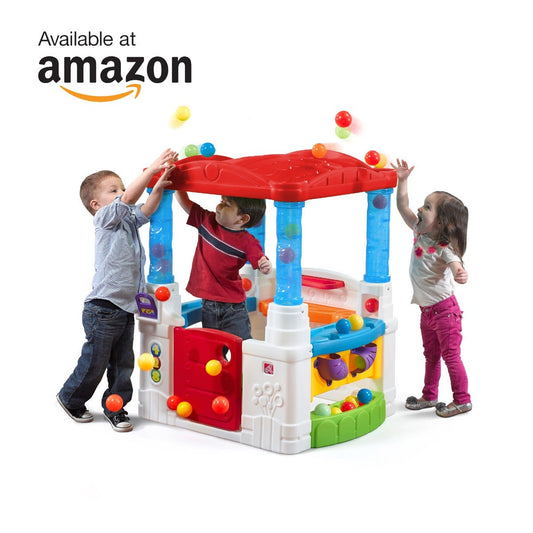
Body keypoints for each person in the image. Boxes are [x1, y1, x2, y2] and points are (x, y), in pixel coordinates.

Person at [57, 149, 177, 432]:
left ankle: (116, 407)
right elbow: (129, 199)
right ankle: (70, 398)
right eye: (114, 190)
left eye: (122, 187)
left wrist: (158, 186)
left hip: (125, 309)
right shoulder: (104, 219)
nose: (121, 192)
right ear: (96, 204)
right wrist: (151, 170)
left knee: (123, 364)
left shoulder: (126, 220)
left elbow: (146, 209)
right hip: (102, 308)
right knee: (95, 362)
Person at [393, 159, 472, 418]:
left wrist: (459, 272)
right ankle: (429, 396)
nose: (419, 208)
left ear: (441, 223)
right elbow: (403, 206)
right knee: (431, 355)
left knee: (451, 356)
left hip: (445, 312)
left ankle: (462, 400)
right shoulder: (419, 230)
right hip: (427, 312)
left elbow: (455, 263)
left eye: (427, 207)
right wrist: (403, 181)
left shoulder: (444, 247)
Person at [175, 191, 271, 340]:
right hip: (209, 303)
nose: (219, 206)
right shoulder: (207, 221)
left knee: (241, 344)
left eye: (226, 204)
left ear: (242, 219)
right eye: (221, 201)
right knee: (213, 346)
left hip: (234, 306)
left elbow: (260, 261)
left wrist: (265, 265)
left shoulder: (248, 241)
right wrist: (176, 187)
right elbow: (186, 202)